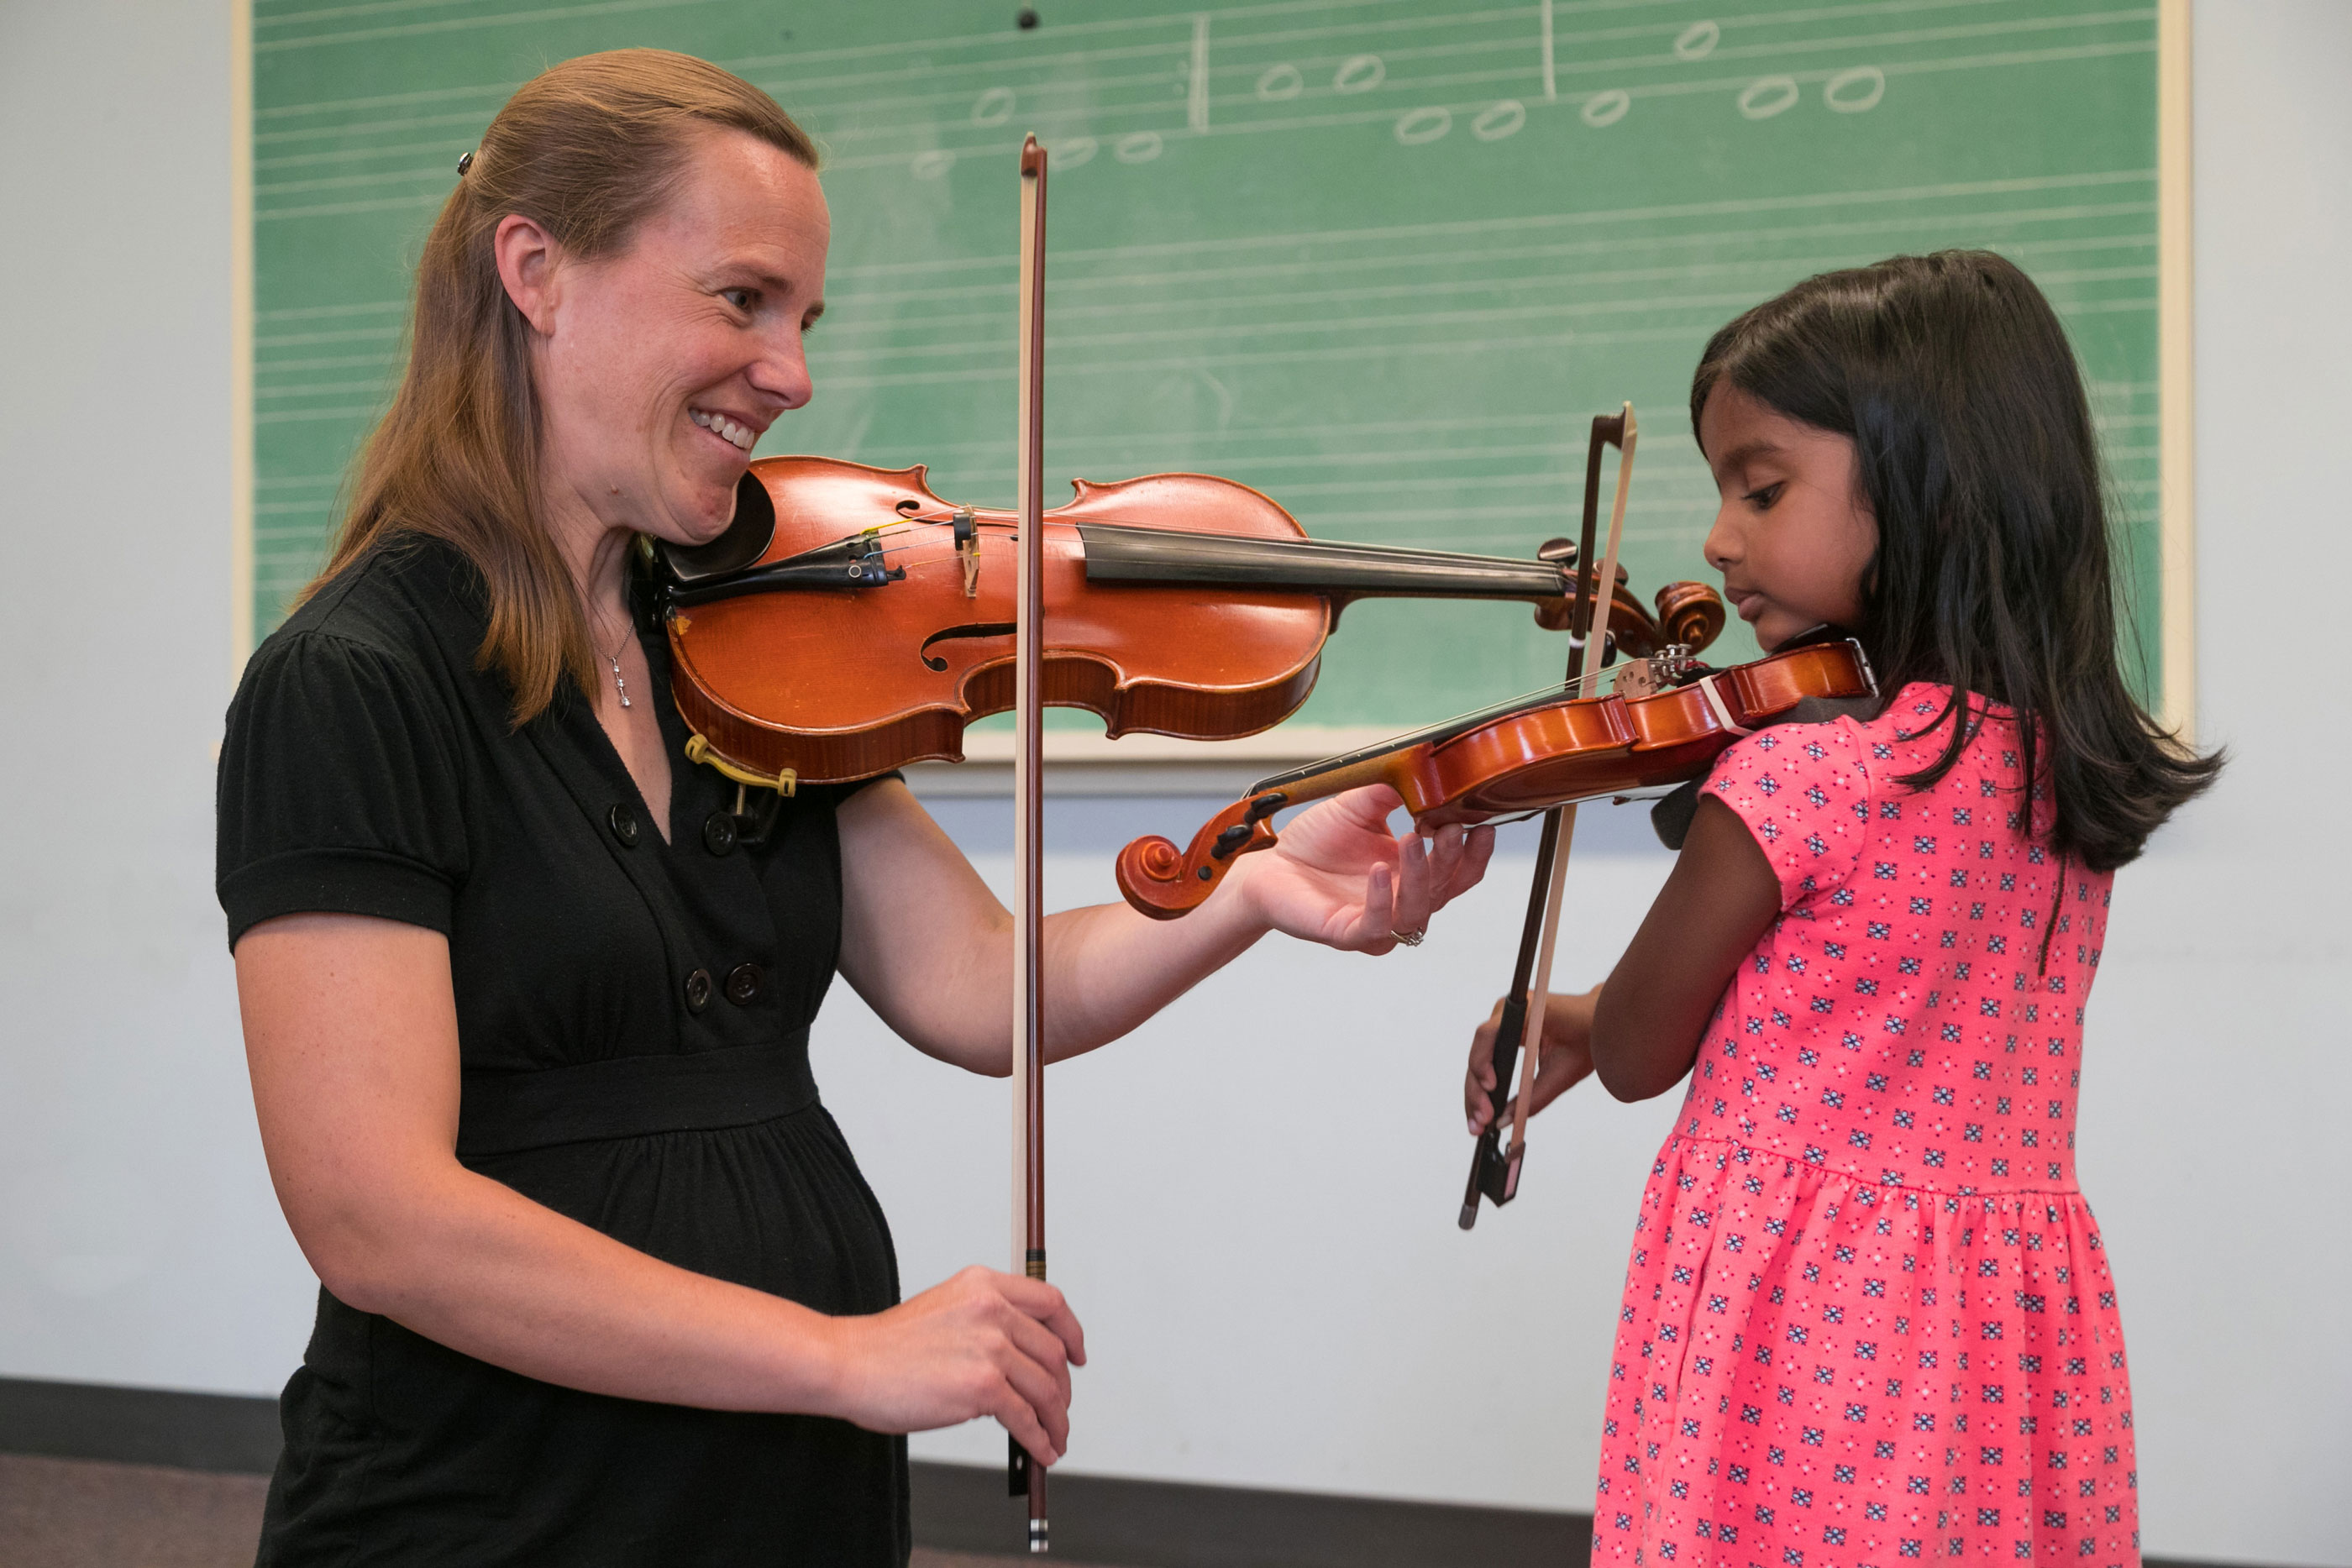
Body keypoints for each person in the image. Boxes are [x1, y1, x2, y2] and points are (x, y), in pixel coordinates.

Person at [218, 50, 1492, 1566]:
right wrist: (843, 1358)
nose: (794, 373)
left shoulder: (753, 646)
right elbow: (378, 1219)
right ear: (537, 271)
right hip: (496, 1501)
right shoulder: (351, 684)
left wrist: (1250, 889)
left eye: (803, 318)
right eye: (741, 299)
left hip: (782, 1487)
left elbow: (981, 990)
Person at [1462, 253, 2218, 1565]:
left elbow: (1647, 1050)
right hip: (1998, 1328)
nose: (1716, 539)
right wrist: (1578, 1018)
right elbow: (1858, 1017)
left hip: (1810, 1324)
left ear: (1931, 491)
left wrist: (1582, 1018)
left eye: (1763, 488)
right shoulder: (2056, 787)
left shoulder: (1807, 772)